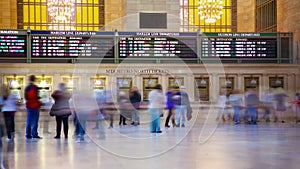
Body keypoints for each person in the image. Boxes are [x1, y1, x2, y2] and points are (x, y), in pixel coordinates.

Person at [24, 75, 42, 139]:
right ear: (34, 80)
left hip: (29, 105)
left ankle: (28, 134)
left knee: (29, 120)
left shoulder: (27, 88)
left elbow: (26, 97)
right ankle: (34, 134)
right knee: (35, 121)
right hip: (35, 106)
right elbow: (37, 96)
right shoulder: (35, 87)